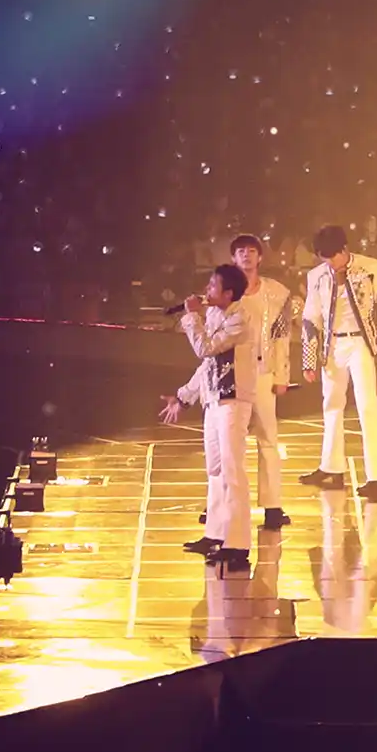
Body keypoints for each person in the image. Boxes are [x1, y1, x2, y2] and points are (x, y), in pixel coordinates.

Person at [161, 262, 256, 573]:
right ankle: (215, 533)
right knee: (215, 470)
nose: (206, 290)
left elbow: (205, 348)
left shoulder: (241, 318)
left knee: (232, 470)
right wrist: (184, 396)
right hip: (213, 400)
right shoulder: (215, 314)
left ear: (229, 293)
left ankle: (238, 544)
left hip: (233, 400)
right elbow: (206, 367)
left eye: (213, 285)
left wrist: (191, 317)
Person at [299, 224, 377, 502]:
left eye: (333, 256)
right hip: (332, 345)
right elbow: (311, 317)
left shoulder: (370, 268)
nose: (330, 263)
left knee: (367, 405)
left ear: (344, 249)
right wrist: (309, 358)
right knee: (331, 403)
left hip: (360, 343)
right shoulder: (317, 276)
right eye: (324, 258)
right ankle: (331, 467)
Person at [229, 234, 293, 530]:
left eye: (252, 251)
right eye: (241, 251)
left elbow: (282, 336)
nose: (246, 255)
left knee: (268, 437)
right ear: (233, 257)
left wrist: (282, 375)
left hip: (263, 371)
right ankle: (222, 502)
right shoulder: (224, 291)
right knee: (229, 440)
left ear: (260, 257)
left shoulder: (276, 293)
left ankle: (273, 505)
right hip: (231, 373)